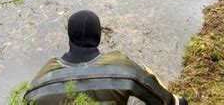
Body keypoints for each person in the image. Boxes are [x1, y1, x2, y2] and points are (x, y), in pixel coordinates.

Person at [24, 10, 188, 105]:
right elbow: (170, 103)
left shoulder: (42, 82)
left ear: (69, 37)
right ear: (99, 36)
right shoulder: (122, 69)